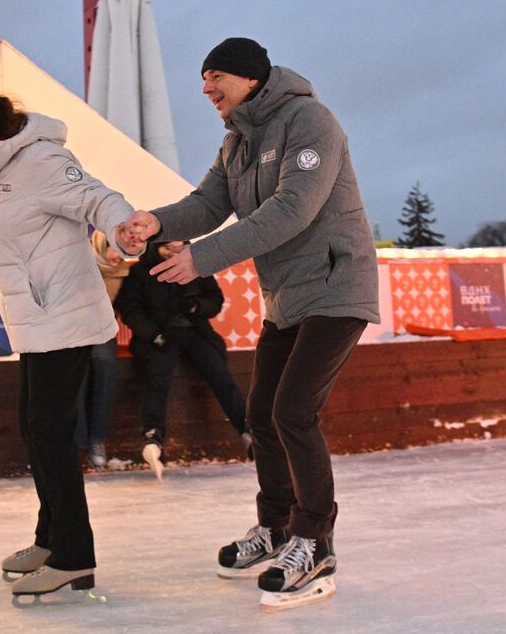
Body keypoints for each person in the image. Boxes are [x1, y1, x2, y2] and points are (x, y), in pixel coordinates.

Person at [123, 37, 379, 613]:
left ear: (250, 77)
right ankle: (279, 529)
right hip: (287, 296)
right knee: (263, 414)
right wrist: (154, 220)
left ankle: (315, 542)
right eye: (203, 79)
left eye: (216, 76)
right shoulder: (237, 141)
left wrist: (202, 259)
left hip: (338, 287)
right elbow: (208, 205)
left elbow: (293, 210)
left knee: (293, 411)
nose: (206, 89)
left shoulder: (310, 121)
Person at [0, 85, 139, 604]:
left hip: (65, 319)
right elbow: (11, 237)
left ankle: (74, 558)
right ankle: (50, 542)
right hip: (38, 321)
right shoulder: (1, 172)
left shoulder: (43, 160)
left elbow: (99, 198)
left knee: (51, 436)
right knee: (37, 431)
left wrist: (124, 230)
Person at [114, 239, 249, 480]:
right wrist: (152, 334)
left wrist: (197, 307)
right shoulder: (141, 272)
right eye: (168, 248)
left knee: (220, 374)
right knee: (158, 378)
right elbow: (130, 308)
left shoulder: (195, 266)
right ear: (156, 247)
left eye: (180, 247)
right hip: (159, 336)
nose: (174, 253)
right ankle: (153, 436)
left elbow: (215, 299)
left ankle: (248, 431)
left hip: (195, 331)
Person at [74, 230, 129, 469]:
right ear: (100, 246)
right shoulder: (79, 264)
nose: (118, 256)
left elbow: (128, 303)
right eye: (114, 248)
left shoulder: (124, 272)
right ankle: (77, 443)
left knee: (105, 373)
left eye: (122, 250)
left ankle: (97, 439)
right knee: (77, 381)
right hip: (73, 329)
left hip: (103, 329)